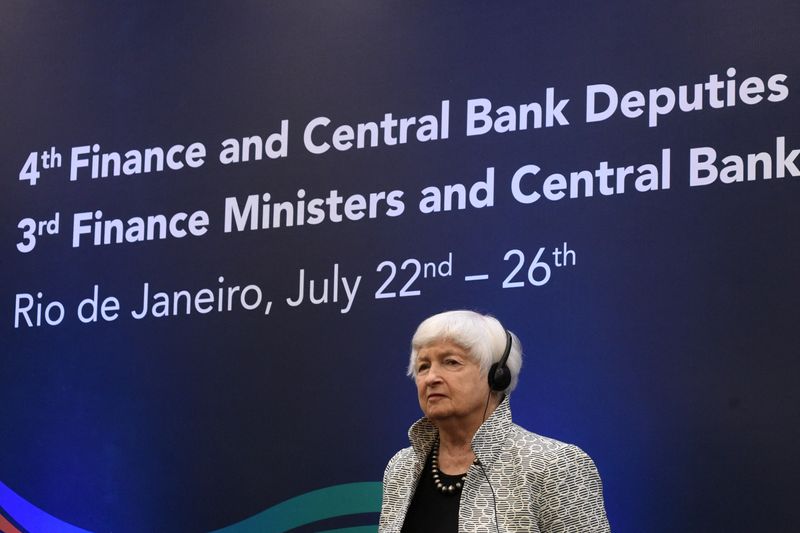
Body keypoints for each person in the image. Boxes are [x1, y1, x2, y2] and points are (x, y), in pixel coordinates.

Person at [379, 310, 610, 532]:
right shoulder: (401, 467)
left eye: (451, 362)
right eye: (423, 366)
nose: (431, 378)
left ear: (497, 376)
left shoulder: (555, 465)